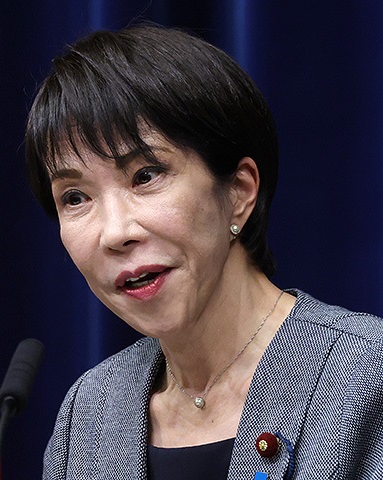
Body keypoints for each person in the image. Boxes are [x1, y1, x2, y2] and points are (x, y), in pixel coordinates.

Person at [24, 24, 383, 479]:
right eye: (75, 198)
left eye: (145, 175)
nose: (114, 233)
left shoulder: (366, 378)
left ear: (238, 191)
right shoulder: (89, 415)